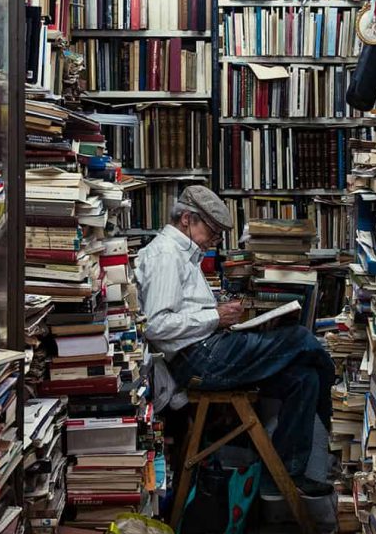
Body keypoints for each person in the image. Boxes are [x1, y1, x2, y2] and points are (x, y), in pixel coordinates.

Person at [135, 185, 334, 497]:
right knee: (300, 339)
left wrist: (220, 315)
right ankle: (333, 416)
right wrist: (215, 316)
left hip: (207, 350)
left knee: (304, 379)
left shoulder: (183, 254)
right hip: (199, 359)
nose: (215, 242)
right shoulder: (166, 256)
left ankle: (284, 474)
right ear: (188, 219)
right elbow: (156, 326)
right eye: (213, 232)